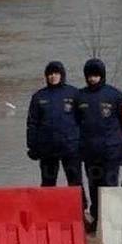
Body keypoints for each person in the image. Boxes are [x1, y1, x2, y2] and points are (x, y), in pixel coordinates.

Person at [75, 58, 122, 233]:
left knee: (110, 186)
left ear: (102, 75)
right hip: (89, 152)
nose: (92, 79)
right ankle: (96, 219)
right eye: (90, 76)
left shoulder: (116, 96)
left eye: (96, 76)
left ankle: (111, 222)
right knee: (94, 186)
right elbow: (75, 123)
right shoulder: (79, 96)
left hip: (111, 151)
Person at [26, 62, 85, 200]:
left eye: (56, 73)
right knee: (48, 183)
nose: (53, 76)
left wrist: (83, 144)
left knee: (75, 182)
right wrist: (32, 146)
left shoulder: (74, 94)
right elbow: (32, 123)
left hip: (70, 147)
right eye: (50, 74)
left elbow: (83, 120)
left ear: (62, 75)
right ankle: (46, 212)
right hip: (47, 149)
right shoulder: (39, 97)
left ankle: (80, 210)